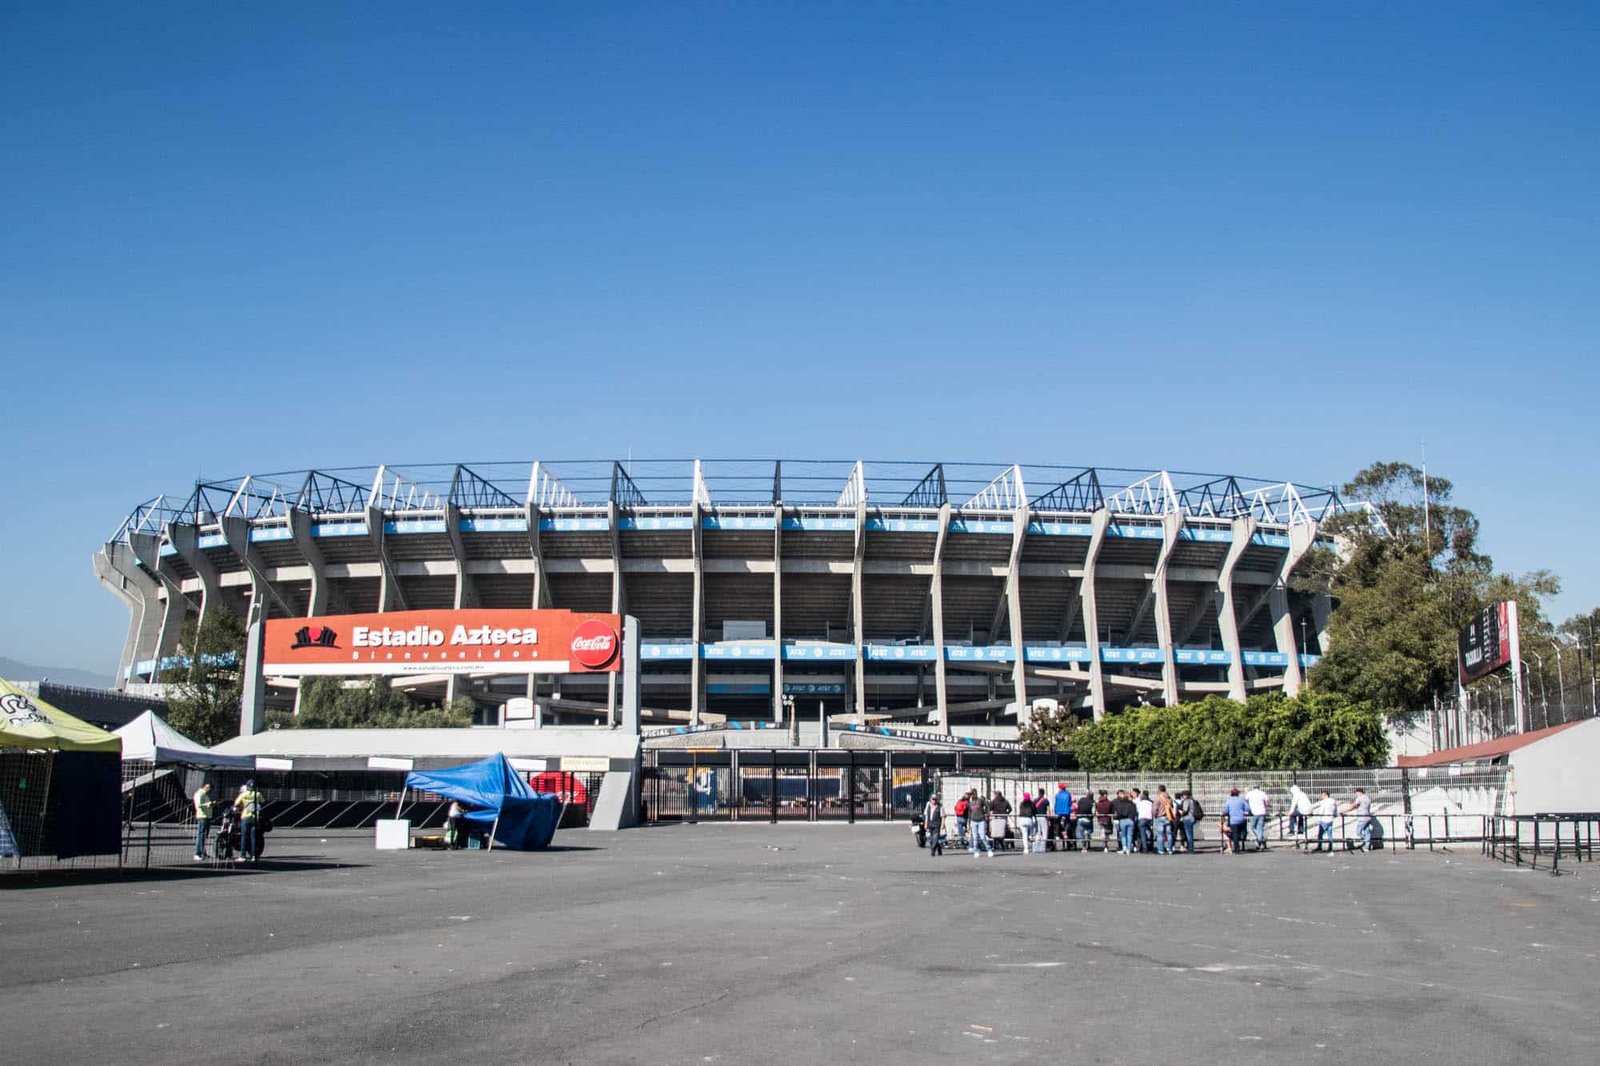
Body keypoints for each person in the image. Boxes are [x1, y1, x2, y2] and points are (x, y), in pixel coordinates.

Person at [234, 779, 265, 864]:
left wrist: (242, 805)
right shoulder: (258, 794)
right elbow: (262, 802)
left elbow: (236, 803)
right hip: (255, 817)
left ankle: (243, 855)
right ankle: (254, 856)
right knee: (253, 837)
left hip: (245, 816)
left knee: (244, 836)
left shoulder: (243, 794)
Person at [1342, 788, 1374, 852]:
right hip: (1367, 816)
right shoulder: (1367, 798)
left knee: (1358, 832)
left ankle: (1367, 842)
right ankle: (1367, 846)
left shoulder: (1359, 798)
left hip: (1362, 817)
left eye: (1356, 793)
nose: (1356, 794)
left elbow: (1354, 805)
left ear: (1359, 792)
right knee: (1367, 832)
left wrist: (1345, 811)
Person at [1223, 787, 1250, 855]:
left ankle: (1237, 850)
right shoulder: (1241, 800)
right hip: (1242, 819)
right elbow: (1247, 808)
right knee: (1243, 831)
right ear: (1238, 793)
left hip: (1233, 820)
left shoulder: (1229, 800)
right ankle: (1243, 836)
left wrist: (1226, 813)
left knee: (1235, 835)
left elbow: (1226, 810)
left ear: (1231, 794)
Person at [1245, 782, 1270, 851]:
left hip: (1254, 813)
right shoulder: (1262, 793)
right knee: (1260, 828)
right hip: (1262, 812)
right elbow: (1267, 802)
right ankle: (1261, 841)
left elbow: (1246, 800)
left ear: (1253, 787)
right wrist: (1265, 806)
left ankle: (1260, 839)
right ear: (1259, 787)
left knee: (1252, 827)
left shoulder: (1250, 793)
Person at [1111, 789, 1138, 855]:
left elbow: (1119, 813)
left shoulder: (1121, 804)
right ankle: (1129, 849)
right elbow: (1135, 813)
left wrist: (1117, 818)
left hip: (1123, 820)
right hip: (1131, 820)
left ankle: (1124, 848)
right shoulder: (1133, 804)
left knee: (1123, 835)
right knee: (1129, 835)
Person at [192, 782, 214, 861]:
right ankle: (198, 853)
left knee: (205, 835)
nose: (209, 790)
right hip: (202, 816)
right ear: (205, 787)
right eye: (209, 788)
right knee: (201, 835)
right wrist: (208, 804)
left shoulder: (206, 794)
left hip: (207, 816)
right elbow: (198, 805)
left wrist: (211, 804)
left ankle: (203, 852)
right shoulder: (199, 794)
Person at [970, 790, 994, 857]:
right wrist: (969, 822)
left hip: (981, 820)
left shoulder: (980, 800)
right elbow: (969, 813)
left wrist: (986, 813)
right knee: (975, 837)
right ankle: (976, 851)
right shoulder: (970, 802)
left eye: (973, 794)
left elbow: (987, 806)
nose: (973, 795)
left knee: (982, 836)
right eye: (971, 794)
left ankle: (989, 849)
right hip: (973, 821)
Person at [1153, 785, 1175, 856]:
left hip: (1160, 817)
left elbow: (1155, 809)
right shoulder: (1169, 798)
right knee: (1169, 834)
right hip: (1168, 817)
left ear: (1159, 790)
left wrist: (1155, 815)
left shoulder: (1158, 798)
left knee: (1160, 834)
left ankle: (1161, 850)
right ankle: (1170, 849)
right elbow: (1172, 806)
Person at [1052, 782, 1074, 850]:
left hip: (1059, 811)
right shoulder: (1068, 794)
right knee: (1068, 822)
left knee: (1057, 823)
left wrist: (1055, 811)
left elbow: (1055, 803)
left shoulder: (1057, 794)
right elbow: (1070, 803)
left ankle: (1058, 834)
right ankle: (1065, 831)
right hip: (1066, 811)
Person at [923, 791, 945, 856]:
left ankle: (933, 850)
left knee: (935, 837)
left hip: (937, 824)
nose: (934, 801)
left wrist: (942, 824)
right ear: (930, 799)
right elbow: (927, 815)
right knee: (932, 838)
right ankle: (939, 849)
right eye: (933, 799)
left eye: (935, 799)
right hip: (930, 824)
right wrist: (926, 824)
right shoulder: (928, 806)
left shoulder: (940, 807)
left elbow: (943, 816)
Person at [1133, 788, 1154, 853]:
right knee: (1150, 832)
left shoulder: (1140, 803)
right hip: (1150, 818)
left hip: (1142, 818)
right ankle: (1151, 844)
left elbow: (1137, 811)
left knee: (1142, 834)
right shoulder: (1151, 802)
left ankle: (1144, 847)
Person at [1033, 785, 1050, 853]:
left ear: (1038, 793)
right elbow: (1048, 810)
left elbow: (1033, 809)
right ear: (1044, 793)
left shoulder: (1034, 800)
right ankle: (1044, 846)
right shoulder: (1046, 801)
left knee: (1038, 832)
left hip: (1036, 817)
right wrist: (1048, 818)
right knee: (1045, 832)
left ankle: (1037, 846)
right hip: (1043, 817)